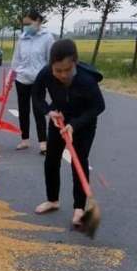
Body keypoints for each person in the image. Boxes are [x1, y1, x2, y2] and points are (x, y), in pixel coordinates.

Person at [32, 39, 105, 229]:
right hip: (59, 120)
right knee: (51, 159)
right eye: (58, 70)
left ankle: (79, 208)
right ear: (51, 66)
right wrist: (49, 111)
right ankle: (52, 200)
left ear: (75, 62)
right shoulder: (46, 73)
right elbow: (37, 96)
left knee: (79, 161)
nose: (63, 75)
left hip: (83, 123)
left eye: (67, 70)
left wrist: (75, 125)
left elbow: (98, 106)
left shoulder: (86, 80)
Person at [11, 10, 55, 154]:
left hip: (39, 79)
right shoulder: (22, 38)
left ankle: (43, 143)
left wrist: (51, 79)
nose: (26, 27)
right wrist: (11, 76)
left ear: (38, 22)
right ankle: (24, 140)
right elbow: (16, 59)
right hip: (22, 78)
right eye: (24, 24)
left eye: (29, 24)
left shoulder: (47, 38)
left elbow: (51, 60)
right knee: (23, 110)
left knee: (38, 110)